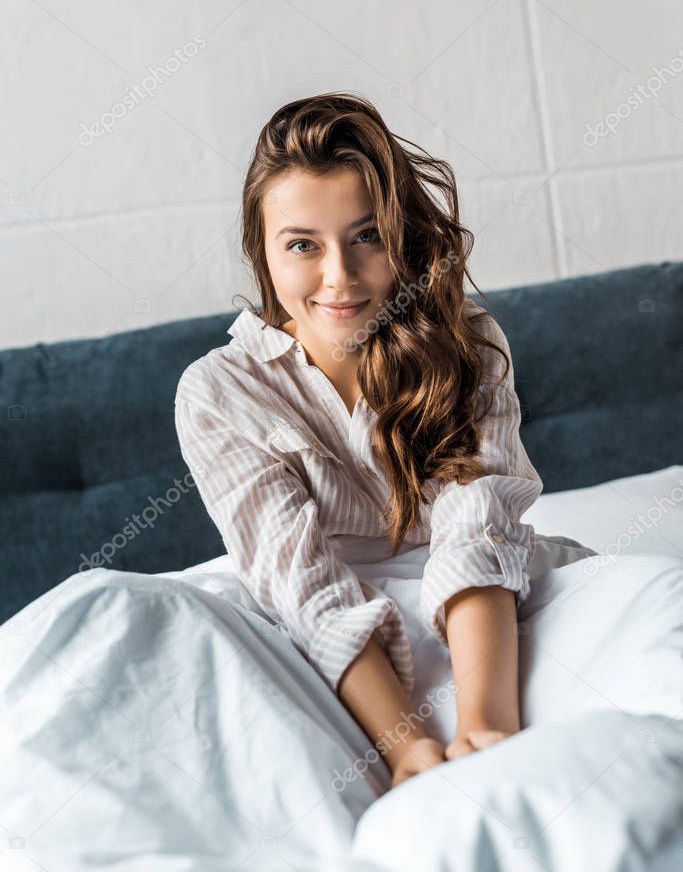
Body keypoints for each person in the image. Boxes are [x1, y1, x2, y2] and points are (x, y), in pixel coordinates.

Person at [174, 91, 590, 791]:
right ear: (263, 253)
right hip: (326, 641)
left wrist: (486, 725)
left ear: (400, 235)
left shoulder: (468, 344)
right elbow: (303, 584)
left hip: (481, 611)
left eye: (365, 235)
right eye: (303, 244)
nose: (339, 275)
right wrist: (407, 748)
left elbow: (475, 529)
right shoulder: (218, 390)